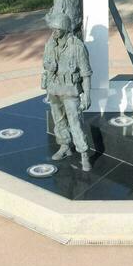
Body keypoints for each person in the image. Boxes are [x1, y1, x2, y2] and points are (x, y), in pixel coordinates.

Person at [41, 10, 94, 171]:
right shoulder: (50, 43)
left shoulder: (77, 47)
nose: (54, 32)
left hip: (71, 90)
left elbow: (86, 74)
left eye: (57, 29)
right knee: (58, 120)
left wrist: (87, 96)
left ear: (65, 29)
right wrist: (49, 66)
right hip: (54, 88)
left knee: (75, 122)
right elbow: (45, 62)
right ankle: (64, 146)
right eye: (53, 29)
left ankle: (84, 153)